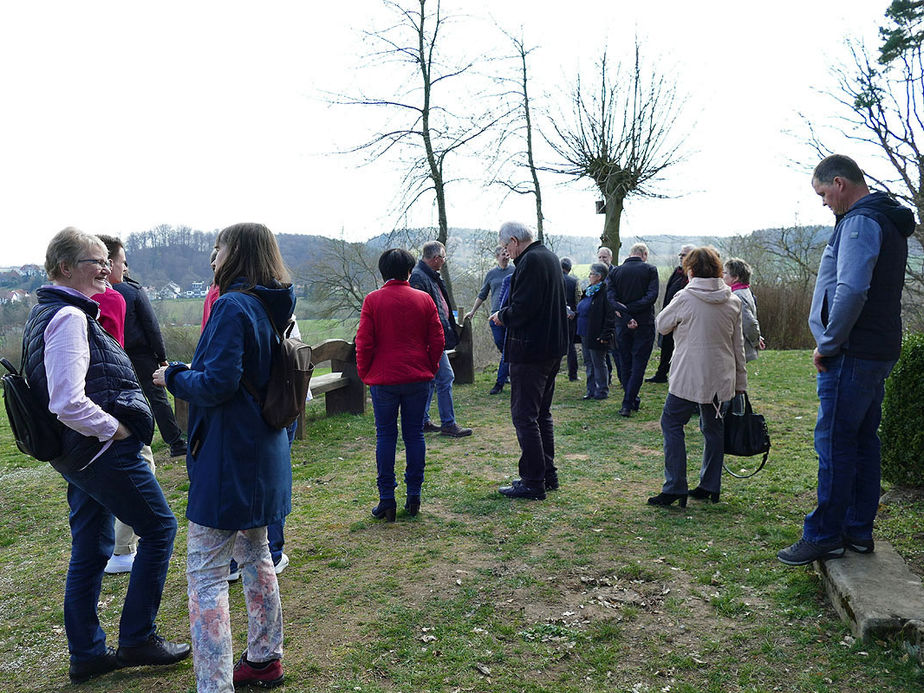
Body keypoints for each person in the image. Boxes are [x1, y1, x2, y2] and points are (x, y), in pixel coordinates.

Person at [23, 228, 188, 685]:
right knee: (159, 528)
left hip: (77, 457)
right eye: (94, 261)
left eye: (105, 259)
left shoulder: (49, 312)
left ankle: (88, 654)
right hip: (99, 453)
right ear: (64, 268)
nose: (106, 268)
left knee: (91, 548)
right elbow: (66, 401)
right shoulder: (70, 318)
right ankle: (137, 637)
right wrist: (114, 430)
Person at [155, 223, 294, 691]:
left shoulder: (233, 305)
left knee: (206, 576)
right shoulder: (273, 305)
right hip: (263, 451)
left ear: (235, 253)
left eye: (218, 247)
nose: (212, 256)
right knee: (256, 556)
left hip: (230, 458)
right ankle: (264, 659)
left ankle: (215, 684)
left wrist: (173, 376)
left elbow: (216, 383)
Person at [778, 154, 915, 566]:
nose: (823, 203)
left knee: (835, 442)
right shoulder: (886, 218)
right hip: (878, 348)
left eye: (822, 194)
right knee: (862, 440)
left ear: (839, 183)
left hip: (853, 351)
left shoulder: (859, 222)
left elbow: (852, 289)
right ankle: (857, 531)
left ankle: (824, 534)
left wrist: (829, 343)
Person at [648, 246, 747, 508]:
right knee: (713, 429)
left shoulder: (684, 297)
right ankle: (709, 485)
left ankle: (675, 486)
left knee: (671, 423)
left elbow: (661, 325)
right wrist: (740, 384)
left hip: (688, 376)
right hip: (721, 377)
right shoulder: (733, 301)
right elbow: (738, 347)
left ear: (690, 270)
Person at [91, 235, 162, 576]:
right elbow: (143, 331)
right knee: (140, 462)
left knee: (92, 477)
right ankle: (121, 549)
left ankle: (102, 547)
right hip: (115, 398)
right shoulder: (114, 298)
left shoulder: (59, 307)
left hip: (85, 408)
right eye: (121, 261)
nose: (120, 268)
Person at [356, 248, 444, 520]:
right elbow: (438, 339)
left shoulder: (373, 300)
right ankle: (414, 496)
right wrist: (431, 366)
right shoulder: (424, 299)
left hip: (384, 380)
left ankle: (387, 499)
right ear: (409, 270)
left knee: (386, 436)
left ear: (383, 272)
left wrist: (365, 372)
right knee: (414, 434)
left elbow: (364, 342)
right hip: (418, 377)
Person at [490, 221, 568, 500]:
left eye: (505, 246)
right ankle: (547, 473)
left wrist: (502, 316)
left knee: (524, 416)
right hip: (550, 348)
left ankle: (533, 480)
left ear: (514, 240)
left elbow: (524, 307)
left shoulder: (531, 261)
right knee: (541, 414)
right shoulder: (547, 256)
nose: (506, 252)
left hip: (531, 351)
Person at [100, 236, 188, 458]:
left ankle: (133, 442)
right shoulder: (133, 291)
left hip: (112, 358)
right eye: (123, 261)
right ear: (110, 263)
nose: (125, 266)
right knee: (157, 398)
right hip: (141, 355)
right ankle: (175, 442)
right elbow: (151, 327)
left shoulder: (89, 294)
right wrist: (161, 357)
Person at [409, 241, 472, 437]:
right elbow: (421, 313)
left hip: (435, 337)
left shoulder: (427, 275)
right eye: (443, 258)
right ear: (436, 258)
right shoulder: (419, 278)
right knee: (445, 377)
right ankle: (448, 423)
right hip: (430, 339)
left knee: (431, 380)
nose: (444, 262)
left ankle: (423, 420)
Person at [606, 243, 659, 417]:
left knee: (625, 362)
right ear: (644, 254)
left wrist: (626, 313)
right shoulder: (650, 270)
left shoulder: (615, 272)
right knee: (638, 364)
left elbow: (611, 298)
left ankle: (631, 400)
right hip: (644, 323)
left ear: (630, 254)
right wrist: (633, 311)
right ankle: (628, 402)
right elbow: (651, 296)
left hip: (622, 323)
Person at [463, 245, 514, 394]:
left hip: (509, 315)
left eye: (507, 253)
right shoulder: (491, 274)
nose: (506, 256)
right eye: (503, 254)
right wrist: (472, 311)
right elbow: (483, 294)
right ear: (497, 256)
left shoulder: (515, 271)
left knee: (506, 349)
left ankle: (499, 383)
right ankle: (508, 370)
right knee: (501, 345)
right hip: (494, 316)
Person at [647, 244, 694, 383]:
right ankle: (661, 374)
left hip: (684, 319)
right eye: (680, 254)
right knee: (666, 346)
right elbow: (669, 292)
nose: (681, 257)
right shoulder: (677, 272)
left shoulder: (693, 275)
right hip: (671, 314)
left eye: (684, 254)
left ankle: (680, 376)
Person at [575, 263, 615, 400]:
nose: (589, 276)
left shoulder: (605, 292)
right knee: (589, 362)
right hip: (584, 332)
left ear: (599, 276)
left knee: (598, 362)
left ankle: (602, 390)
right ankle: (590, 390)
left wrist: (605, 334)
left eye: (591, 273)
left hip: (596, 333)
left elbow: (609, 315)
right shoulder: (589, 291)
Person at [723, 257, 765, 362]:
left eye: (725, 273)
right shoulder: (746, 291)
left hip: (740, 347)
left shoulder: (737, 296)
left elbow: (749, 322)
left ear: (735, 277)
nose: (722, 276)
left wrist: (756, 340)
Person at [561, 258, 581, 381]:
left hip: (555, 317)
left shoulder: (553, 279)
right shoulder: (574, 281)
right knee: (570, 346)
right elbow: (578, 299)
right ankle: (572, 374)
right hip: (570, 317)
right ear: (569, 269)